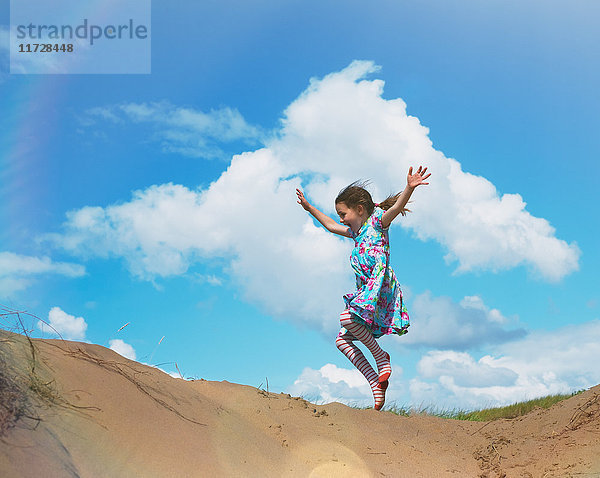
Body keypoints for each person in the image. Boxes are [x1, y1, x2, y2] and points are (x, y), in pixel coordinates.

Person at [296, 166, 431, 410]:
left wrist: (409, 188)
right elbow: (328, 226)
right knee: (342, 341)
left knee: (346, 318)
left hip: (379, 288)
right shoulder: (355, 233)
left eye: (343, 213)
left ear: (359, 209)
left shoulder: (378, 222)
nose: (340, 218)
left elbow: (397, 208)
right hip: (365, 292)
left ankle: (381, 357)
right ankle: (374, 383)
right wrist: (309, 208)